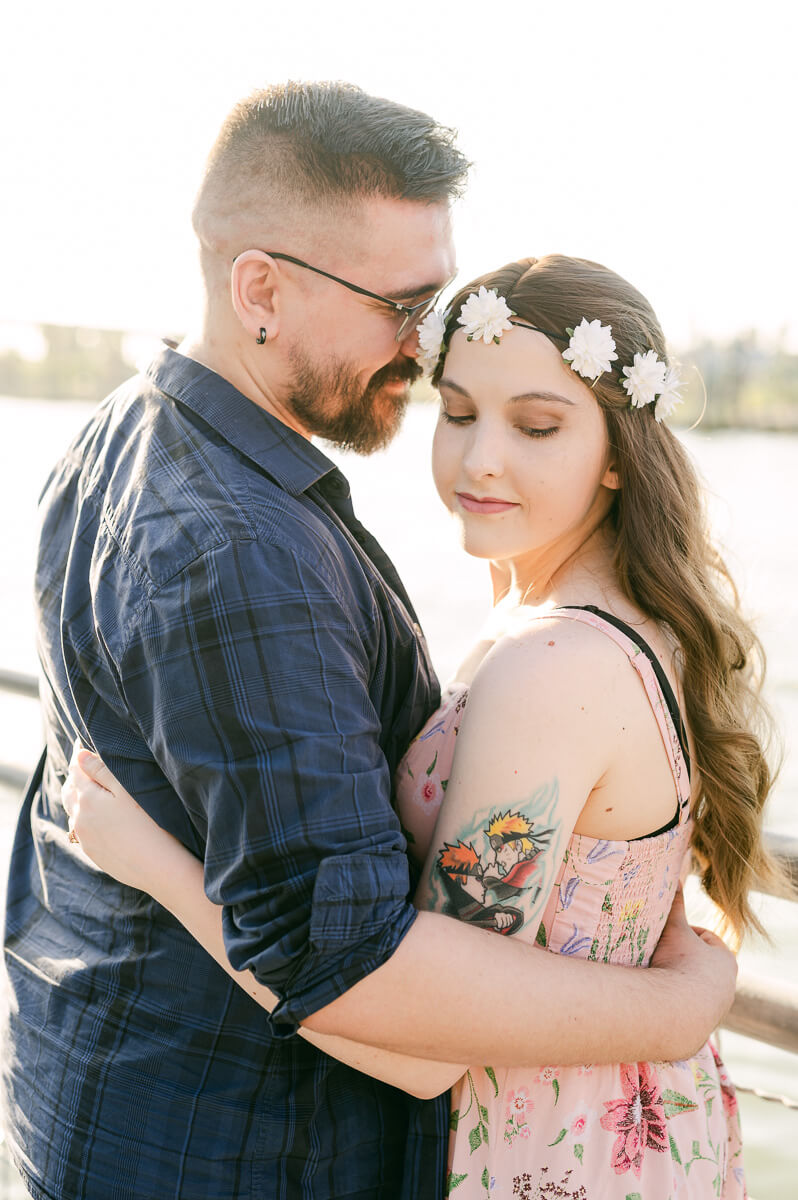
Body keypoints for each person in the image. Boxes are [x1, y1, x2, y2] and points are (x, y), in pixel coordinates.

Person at [1, 78, 737, 1200]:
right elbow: (350, 971)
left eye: (437, 309)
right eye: (405, 307)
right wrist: (678, 1005)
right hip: (227, 1153)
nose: (422, 344)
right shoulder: (237, 548)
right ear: (261, 291)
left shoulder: (129, 429)